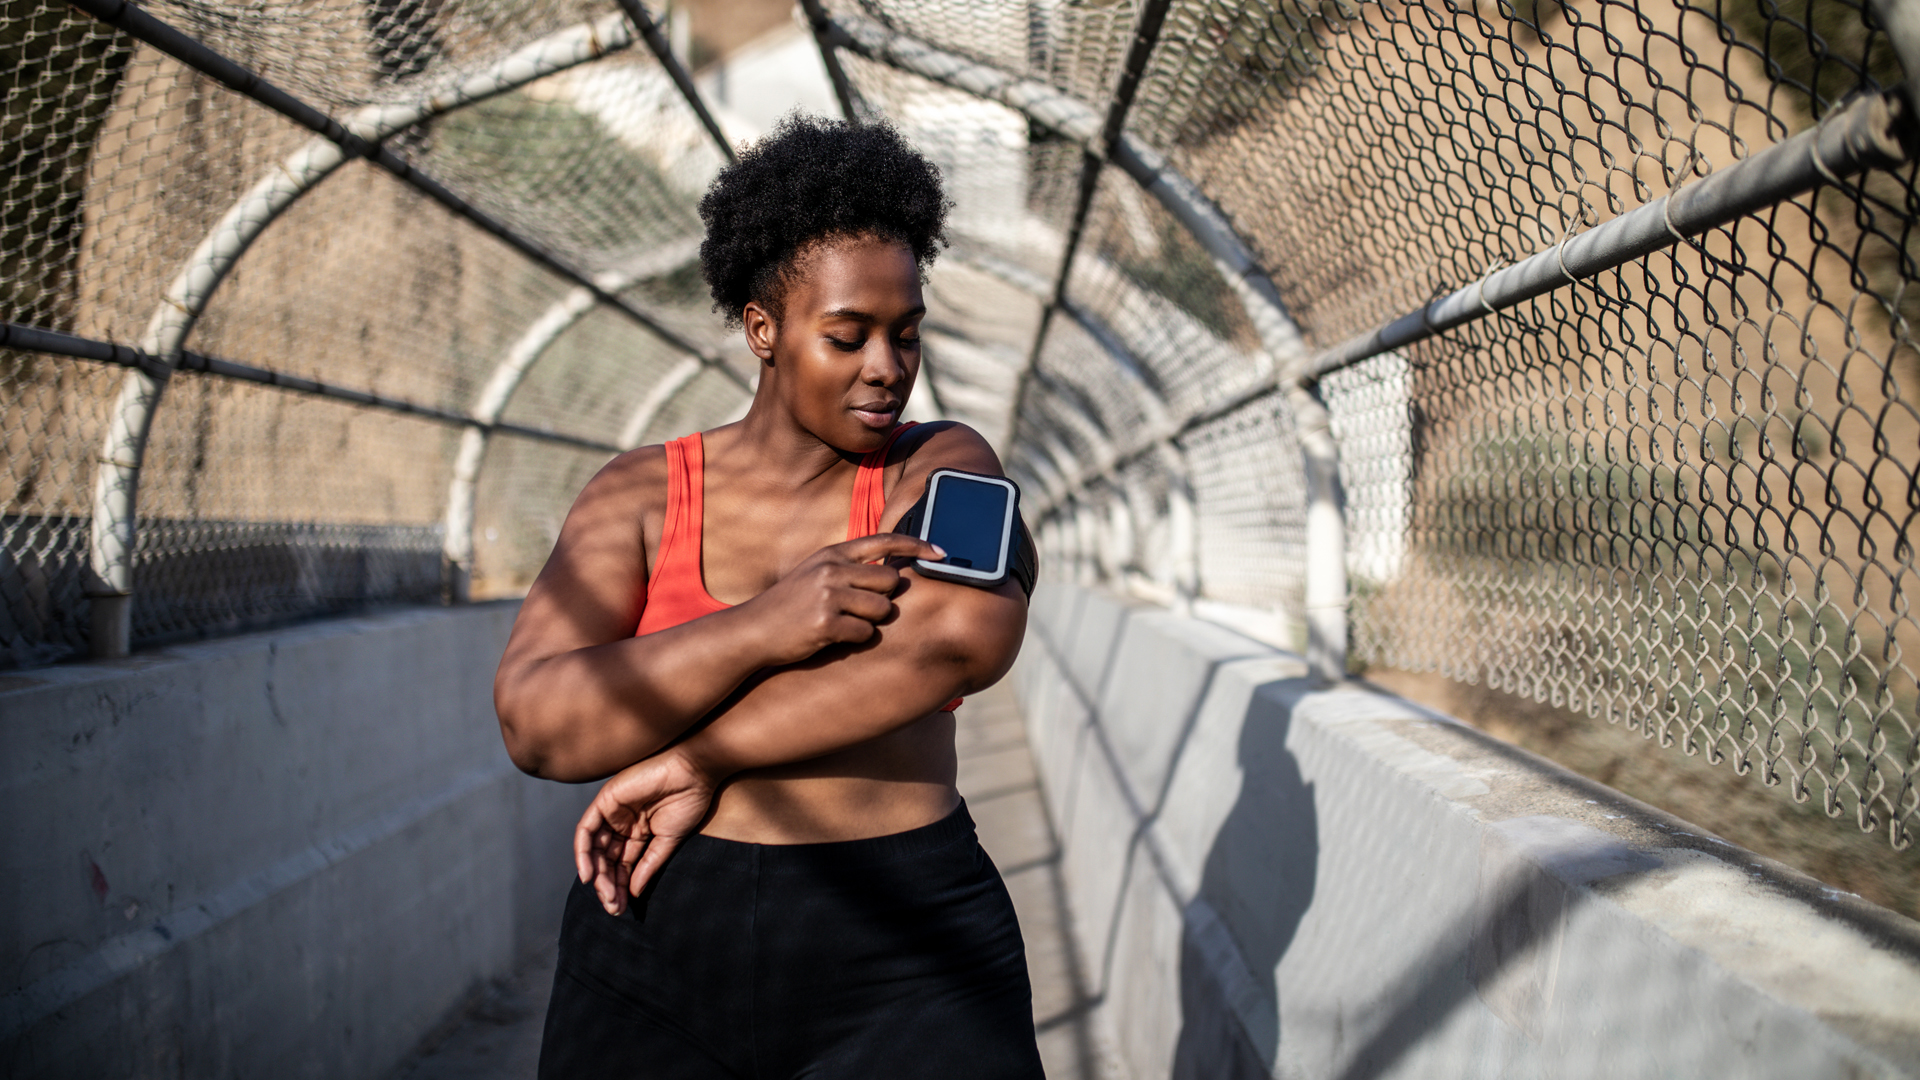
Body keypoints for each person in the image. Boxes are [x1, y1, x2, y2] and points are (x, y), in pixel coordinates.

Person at [493, 115, 1043, 1079]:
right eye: (848, 336)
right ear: (763, 329)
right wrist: (761, 626)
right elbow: (539, 724)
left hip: (906, 948)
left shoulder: (945, 462)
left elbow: (960, 630)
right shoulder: (641, 493)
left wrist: (702, 755)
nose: (888, 368)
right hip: (656, 936)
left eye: (905, 334)